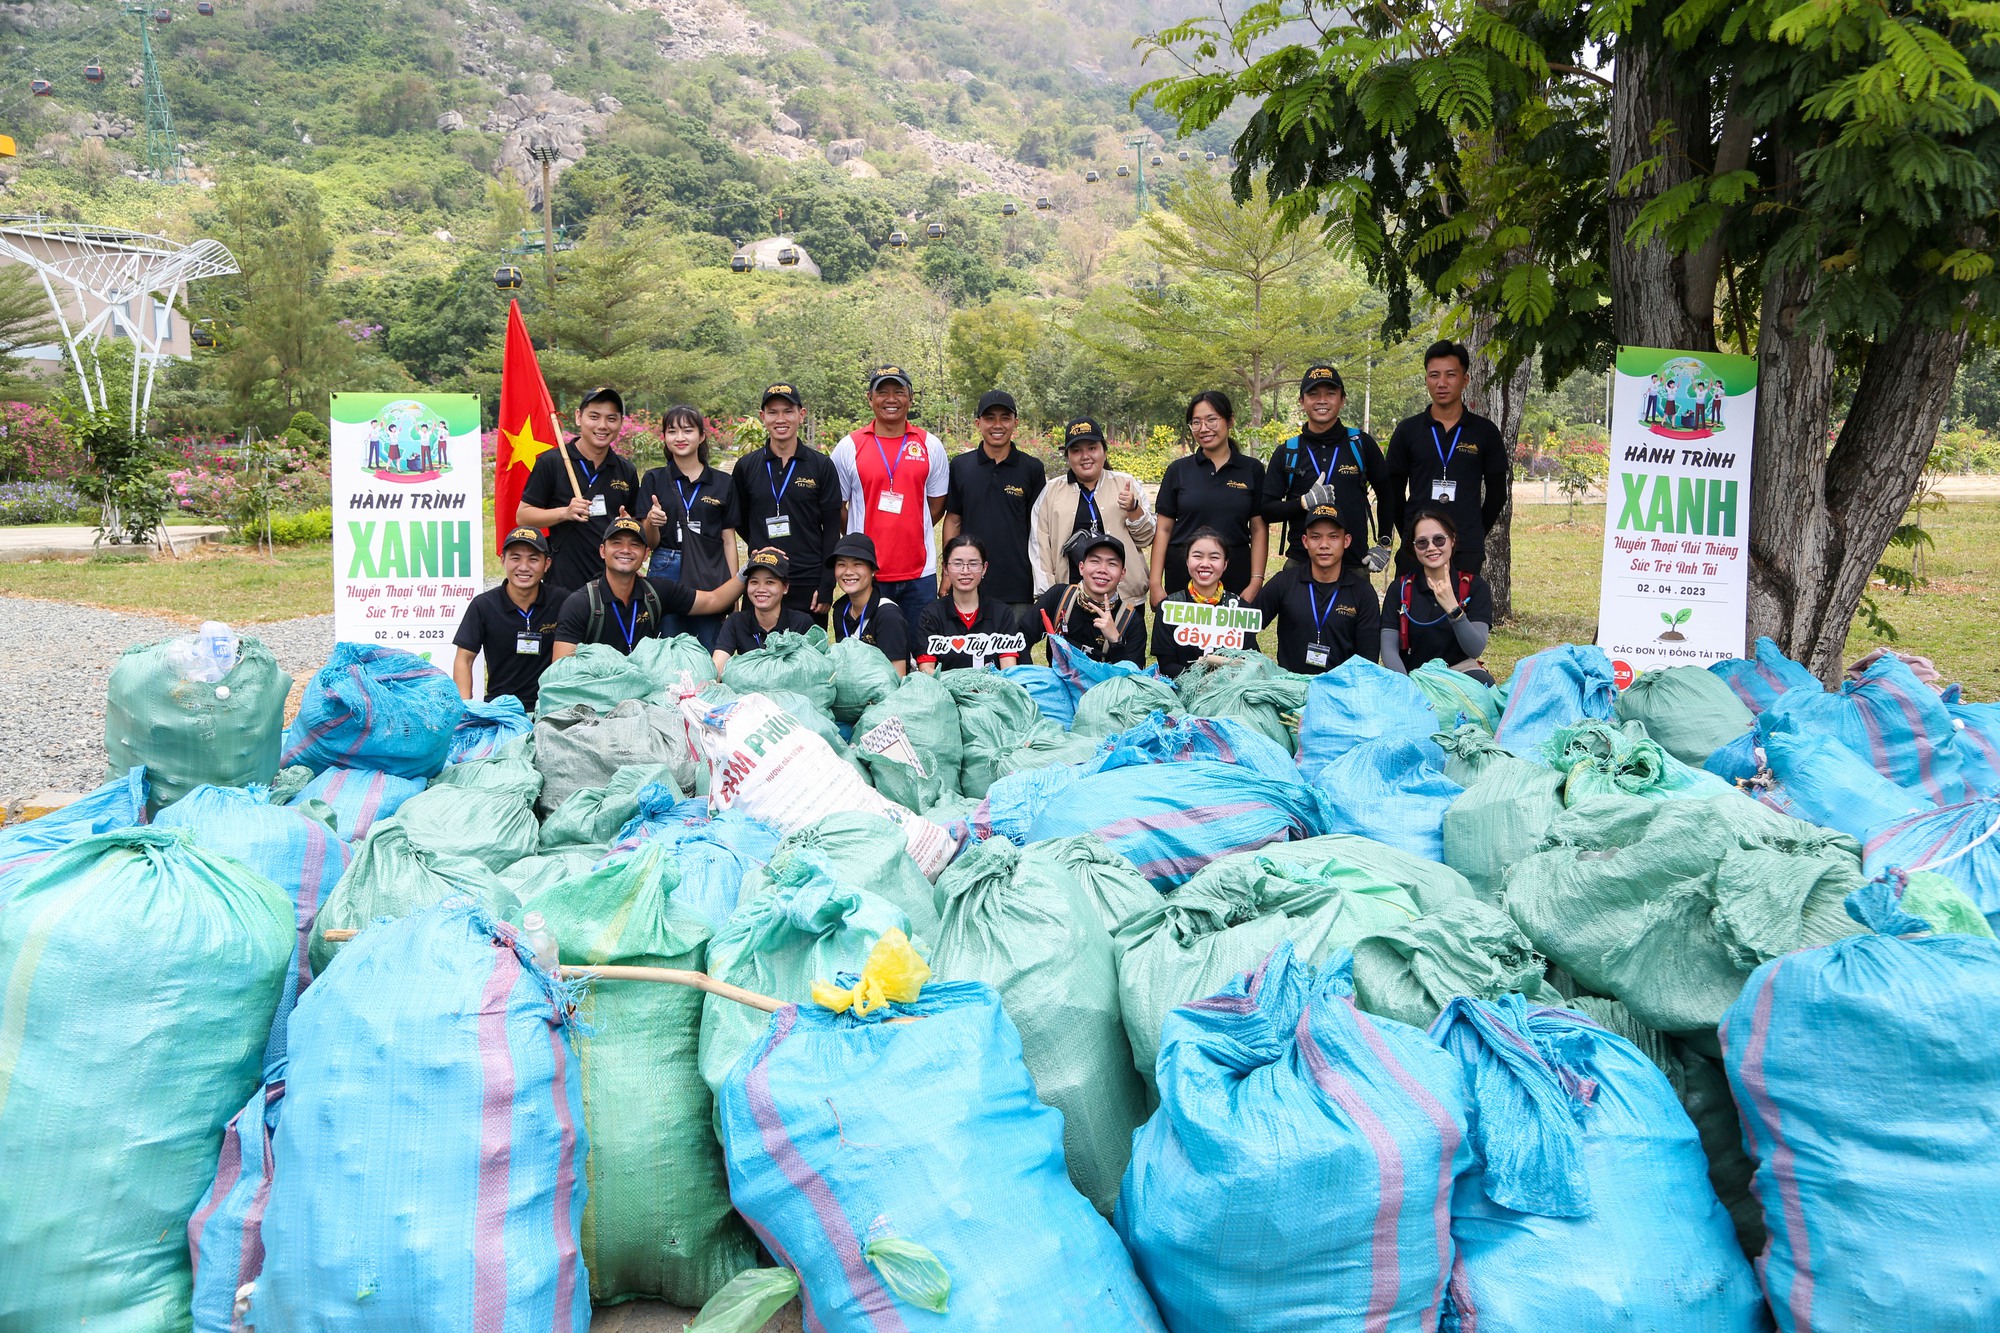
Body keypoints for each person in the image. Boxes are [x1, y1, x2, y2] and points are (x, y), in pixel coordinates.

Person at [831, 365, 950, 621]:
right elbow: (837, 506)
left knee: (921, 653)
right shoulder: (849, 446)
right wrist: (856, 539)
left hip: (919, 574)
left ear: (910, 397)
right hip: (867, 571)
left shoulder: (930, 445)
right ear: (870, 398)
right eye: (882, 392)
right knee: (869, 654)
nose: (891, 399)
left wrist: (910, 525)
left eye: (899, 391)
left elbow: (937, 505)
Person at [1382, 340, 1510, 577]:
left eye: (1451, 375)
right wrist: (1411, 532)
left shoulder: (1484, 432)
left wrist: (1474, 533)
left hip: (1466, 549)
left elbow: (1497, 494)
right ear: (1426, 380)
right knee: (1412, 611)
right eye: (1434, 375)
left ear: (1465, 380)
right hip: (1417, 548)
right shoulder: (1408, 431)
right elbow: (1393, 493)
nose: (1442, 383)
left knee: (1461, 612)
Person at [551, 516, 747, 658]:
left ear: (646, 554)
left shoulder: (655, 593)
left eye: (634, 545)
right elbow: (561, 670)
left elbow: (714, 600)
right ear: (603, 551)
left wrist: (749, 569)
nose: (625, 550)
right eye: (617, 543)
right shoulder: (581, 603)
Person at [730, 382, 844, 627]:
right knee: (759, 655)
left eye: (788, 411)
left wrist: (826, 584)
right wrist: (762, 544)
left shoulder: (821, 466)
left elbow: (832, 528)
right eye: (772, 412)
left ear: (801, 415)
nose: (780, 419)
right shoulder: (747, 466)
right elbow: (739, 520)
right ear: (762, 417)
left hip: (808, 577)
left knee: (808, 656)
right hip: (762, 576)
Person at [1262, 362, 1390, 575]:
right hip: (1300, 566)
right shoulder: (1288, 452)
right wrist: (1302, 503)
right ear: (1302, 401)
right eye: (1313, 394)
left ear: (1342, 400)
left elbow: (1387, 495)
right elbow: (1266, 510)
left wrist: (1385, 543)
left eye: (1330, 393)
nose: (1322, 400)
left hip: (1353, 565)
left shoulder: (1361, 444)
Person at [516, 386, 641, 594]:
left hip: (611, 583)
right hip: (563, 580)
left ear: (620, 423)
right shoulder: (552, 462)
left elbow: (636, 525)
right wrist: (565, 513)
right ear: (578, 417)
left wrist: (630, 523)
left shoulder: (625, 469)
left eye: (611, 418)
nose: (602, 425)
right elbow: (523, 516)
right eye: (594, 416)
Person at [1151, 390, 1268, 604]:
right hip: (1183, 575)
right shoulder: (1178, 470)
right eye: (1196, 422)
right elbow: (1163, 529)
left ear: (1230, 420)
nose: (1204, 428)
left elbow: (1259, 528)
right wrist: (1155, 584)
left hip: (1235, 576)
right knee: (1179, 637)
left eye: (1211, 419)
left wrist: (1255, 582)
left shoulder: (1252, 470)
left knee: (1232, 638)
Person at [638, 404, 739, 650]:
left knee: (708, 641)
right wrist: (652, 521)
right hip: (666, 564)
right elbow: (649, 542)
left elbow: (728, 539)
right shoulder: (653, 479)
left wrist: (734, 587)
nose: (680, 437)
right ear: (665, 437)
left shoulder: (722, 482)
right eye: (672, 431)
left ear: (702, 436)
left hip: (709, 568)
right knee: (667, 643)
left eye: (687, 430)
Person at [943, 389, 1046, 621]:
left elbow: (1041, 528)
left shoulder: (1031, 468)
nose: (997, 425)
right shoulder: (961, 466)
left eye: (1005, 418)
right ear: (978, 423)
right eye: (990, 418)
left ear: (1015, 423)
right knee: (970, 654)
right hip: (969, 579)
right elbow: (953, 519)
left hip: (1017, 583)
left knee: (1015, 654)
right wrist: (948, 573)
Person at [1029, 416, 1155, 604]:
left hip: (1124, 598)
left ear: (1104, 451)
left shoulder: (1125, 484)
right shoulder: (1051, 492)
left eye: (1092, 448)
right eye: (1076, 450)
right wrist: (1048, 596)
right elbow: (1039, 548)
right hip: (1070, 599)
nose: (1085, 456)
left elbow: (1147, 538)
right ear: (1067, 456)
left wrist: (1133, 509)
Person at [450, 527, 568, 711]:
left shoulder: (563, 602)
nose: (523, 567)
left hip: (550, 707)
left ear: (547, 564)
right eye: (515, 558)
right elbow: (464, 659)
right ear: (502, 560)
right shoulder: (484, 605)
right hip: (500, 707)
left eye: (533, 559)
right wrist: (466, 709)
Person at [1252, 505, 1379, 674]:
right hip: (1291, 690)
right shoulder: (1283, 583)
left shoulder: (1363, 593)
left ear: (1346, 541)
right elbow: (1245, 627)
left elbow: (1368, 659)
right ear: (1305, 541)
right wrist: (1262, 668)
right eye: (1315, 537)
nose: (1324, 545)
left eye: (1333, 537)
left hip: (1341, 692)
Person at [1381, 506, 1494, 684]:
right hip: (1413, 677)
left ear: (1452, 540)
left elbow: (1475, 649)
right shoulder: (1400, 589)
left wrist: (1453, 608)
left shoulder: (1474, 587)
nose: (1431, 548)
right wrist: (1407, 688)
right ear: (1414, 548)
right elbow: (1388, 649)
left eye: (1439, 540)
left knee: (1484, 682)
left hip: (1460, 676)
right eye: (1422, 542)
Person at [1031, 528, 1146, 667]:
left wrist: (1115, 641)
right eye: (1095, 561)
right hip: (1059, 685)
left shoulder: (1132, 621)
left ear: (1122, 574)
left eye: (1112, 564)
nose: (1102, 570)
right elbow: (1020, 638)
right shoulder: (1059, 597)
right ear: (1081, 567)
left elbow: (1133, 679)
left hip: (1107, 688)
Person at [912, 534, 1024, 672]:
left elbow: (1009, 668)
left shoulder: (1001, 613)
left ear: (984, 568)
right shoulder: (931, 615)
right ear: (945, 568)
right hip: (946, 691)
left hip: (992, 691)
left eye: (973, 564)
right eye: (957, 564)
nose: (965, 571)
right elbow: (927, 670)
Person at [1150, 527, 1249, 680]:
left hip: (1229, 690)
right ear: (1187, 561)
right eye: (1197, 556)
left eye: (1214, 558)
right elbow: (1166, 665)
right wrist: (1201, 680)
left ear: (1225, 564)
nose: (1205, 563)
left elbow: (1250, 660)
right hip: (1182, 690)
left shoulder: (1240, 608)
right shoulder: (1168, 607)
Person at [710, 549, 820, 673]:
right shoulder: (735, 622)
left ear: (785, 587)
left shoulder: (802, 623)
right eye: (754, 582)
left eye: (769, 582)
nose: (761, 589)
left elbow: (814, 670)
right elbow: (717, 668)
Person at [827, 533, 910, 675]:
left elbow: (897, 677)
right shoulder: (840, 611)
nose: (848, 572)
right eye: (841, 564)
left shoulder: (888, 616)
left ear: (873, 570)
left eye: (857, 564)